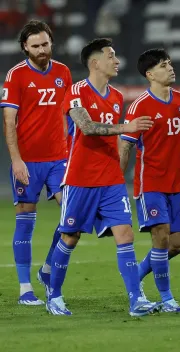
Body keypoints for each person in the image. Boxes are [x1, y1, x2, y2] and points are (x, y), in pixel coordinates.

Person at [46, 38, 157, 316]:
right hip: (80, 178)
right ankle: (54, 296)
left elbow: (113, 138)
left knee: (125, 234)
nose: (117, 60)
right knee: (70, 236)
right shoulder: (76, 91)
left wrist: (120, 168)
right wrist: (127, 127)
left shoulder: (117, 97)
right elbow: (86, 127)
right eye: (111, 56)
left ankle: (136, 300)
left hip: (110, 180)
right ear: (95, 62)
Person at [119, 48, 180, 313]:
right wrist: (115, 182)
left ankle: (135, 276)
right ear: (150, 74)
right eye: (163, 65)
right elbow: (125, 147)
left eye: (170, 63)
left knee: (177, 243)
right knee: (160, 237)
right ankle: (167, 298)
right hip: (150, 185)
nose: (170, 68)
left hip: (176, 185)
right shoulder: (140, 106)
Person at [0, 20, 72, 305]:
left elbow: (68, 114)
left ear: (51, 42)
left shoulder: (63, 72)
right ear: (25, 48)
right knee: (25, 223)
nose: (42, 50)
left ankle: (47, 268)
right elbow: (9, 122)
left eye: (45, 44)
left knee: (72, 217)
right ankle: (25, 289)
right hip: (28, 161)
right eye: (35, 46)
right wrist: (16, 160)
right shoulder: (16, 76)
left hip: (59, 159)